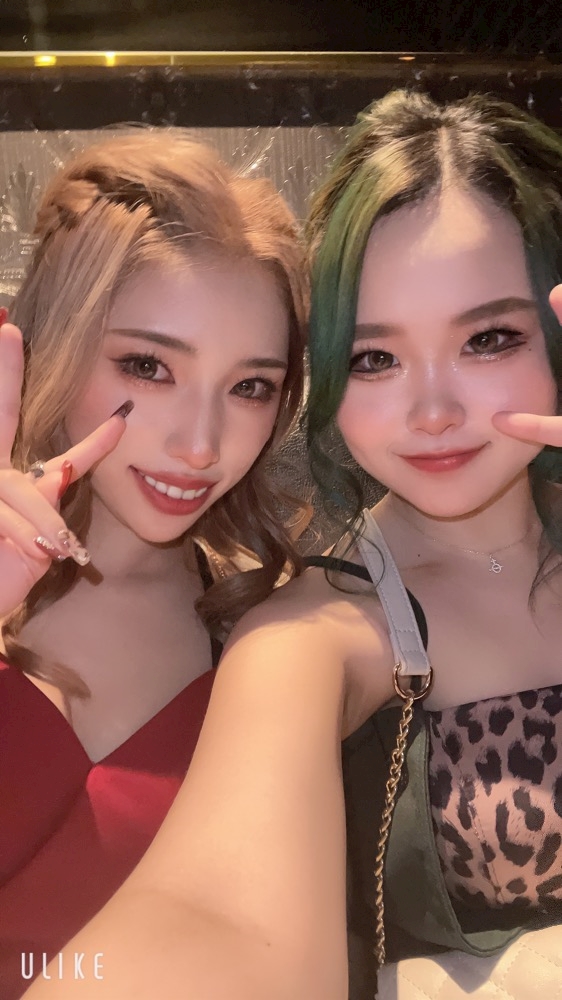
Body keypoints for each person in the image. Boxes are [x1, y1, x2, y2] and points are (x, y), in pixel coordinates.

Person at [21, 90, 562, 1000]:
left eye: (489, 339)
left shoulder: (225, 591)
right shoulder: (313, 632)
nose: (432, 411)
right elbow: (220, 918)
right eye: (375, 358)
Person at [0, 130, 307, 1000]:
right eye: (149, 366)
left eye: (250, 386)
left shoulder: (277, 626)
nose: (201, 444)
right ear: (56, 341)